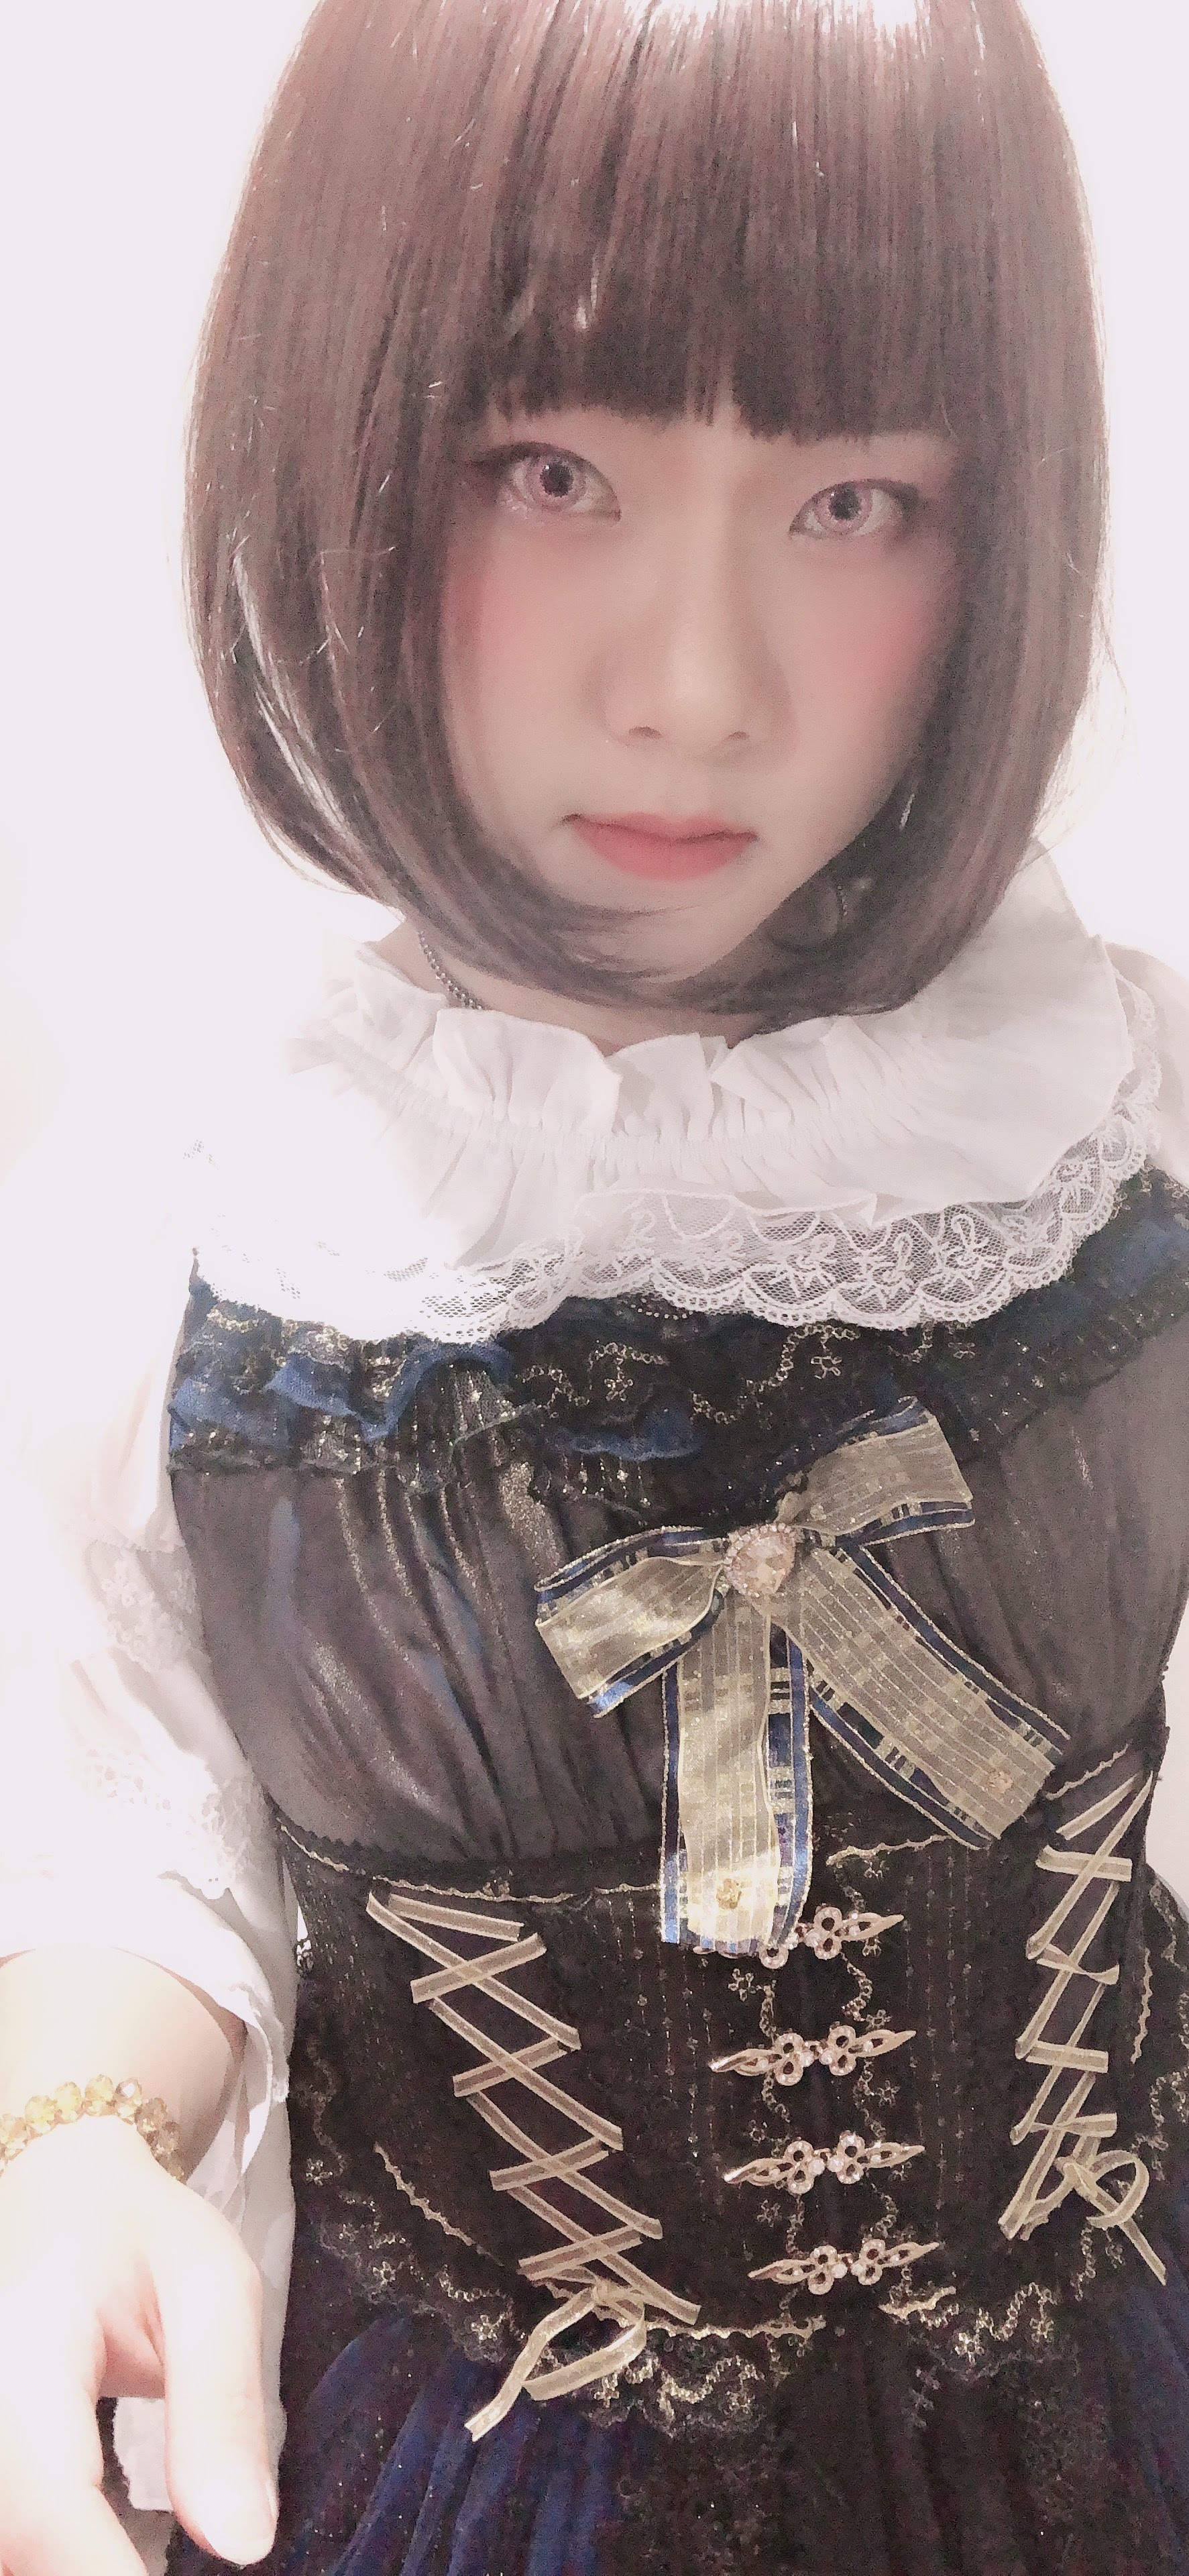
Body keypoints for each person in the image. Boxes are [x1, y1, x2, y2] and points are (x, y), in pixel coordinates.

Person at [1, 0, 1188, 2568]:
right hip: (480, 2480)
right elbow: (144, 1838)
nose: (697, 687)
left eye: (855, 498)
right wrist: (71, 2157)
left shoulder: (1118, 1115)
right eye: (554, 469)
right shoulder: (214, 1227)